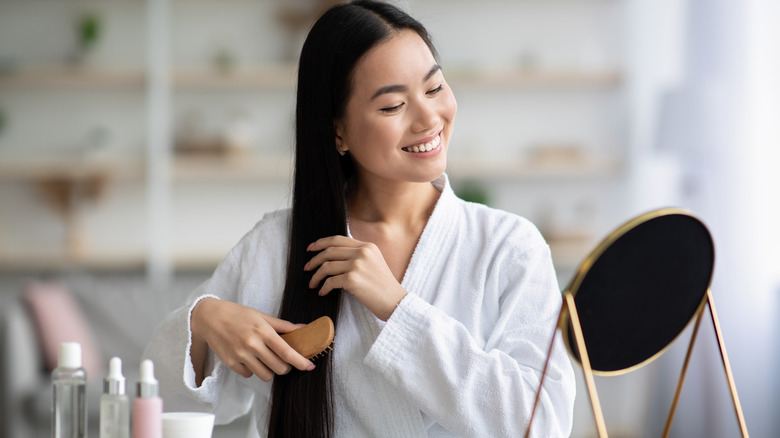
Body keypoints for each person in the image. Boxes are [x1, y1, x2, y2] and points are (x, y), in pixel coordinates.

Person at [143, 1, 576, 437]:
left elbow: (542, 423)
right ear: (338, 133)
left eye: (434, 88)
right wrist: (203, 322)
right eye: (392, 106)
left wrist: (396, 306)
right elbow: (159, 404)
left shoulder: (510, 247)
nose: (429, 118)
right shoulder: (277, 247)